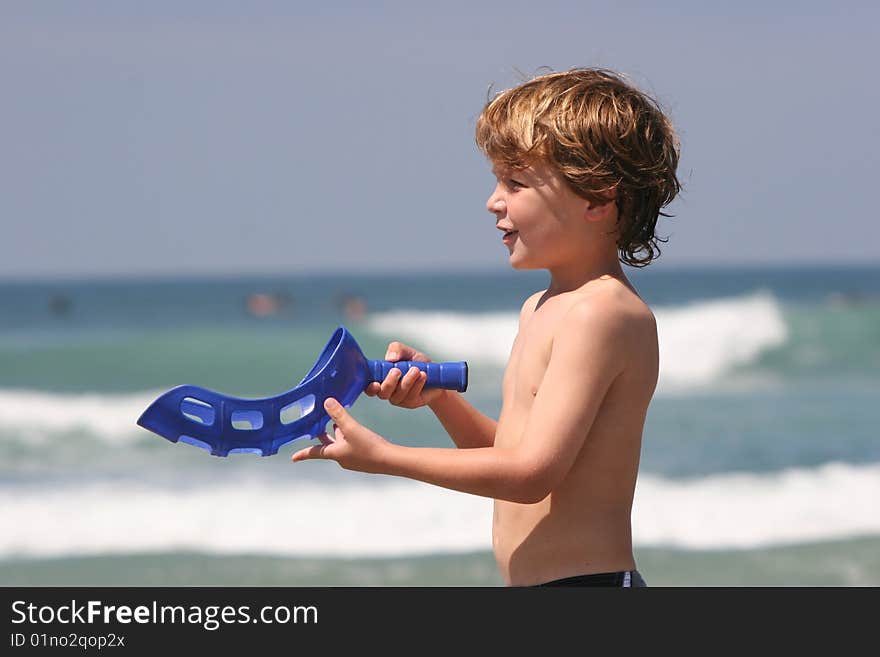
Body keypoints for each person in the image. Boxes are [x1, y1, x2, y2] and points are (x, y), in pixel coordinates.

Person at [292, 68, 681, 587]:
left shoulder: (602, 313)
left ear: (597, 199)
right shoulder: (540, 308)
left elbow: (531, 476)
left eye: (516, 183)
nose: (493, 201)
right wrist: (440, 400)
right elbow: (512, 457)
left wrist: (386, 458)